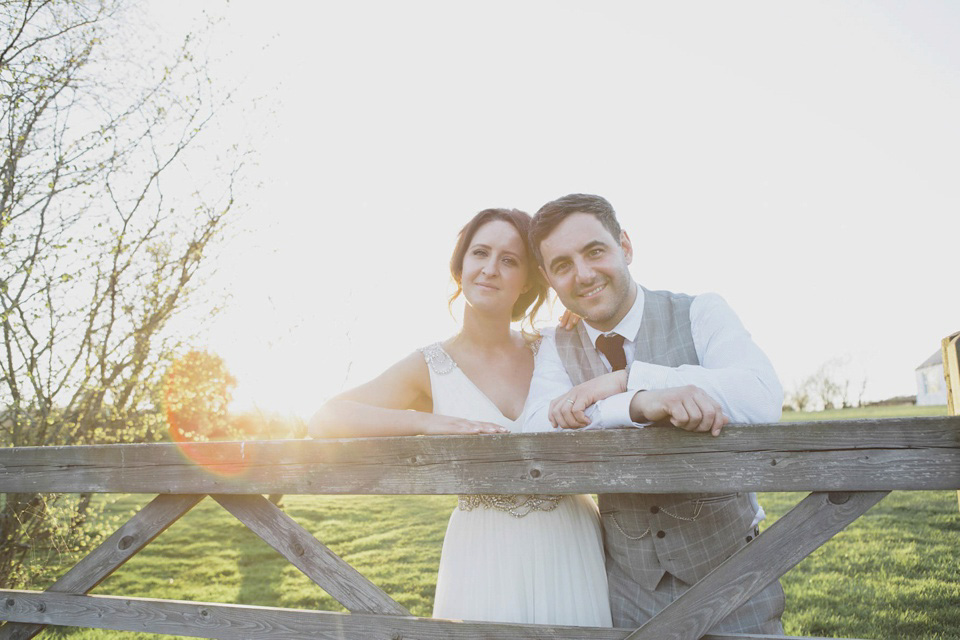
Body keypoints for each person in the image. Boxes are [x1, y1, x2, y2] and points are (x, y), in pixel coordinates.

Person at [309, 207, 612, 627]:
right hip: (483, 551)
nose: (490, 269)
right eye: (480, 253)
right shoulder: (430, 364)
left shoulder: (557, 345)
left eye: (509, 260)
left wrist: (580, 312)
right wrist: (426, 423)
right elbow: (326, 417)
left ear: (529, 277)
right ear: (460, 266)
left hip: (570, 539)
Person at [524, 193, 785, 633]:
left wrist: (627, 378)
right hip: (626, 589)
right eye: (563, 265)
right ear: (549, 278)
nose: (584, 274)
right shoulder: (555, 345)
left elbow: (761, 397)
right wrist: (638, 401)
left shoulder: (701, 310)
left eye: (594, 251)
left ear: (625, 246)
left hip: (735, 575)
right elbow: (536, 425)